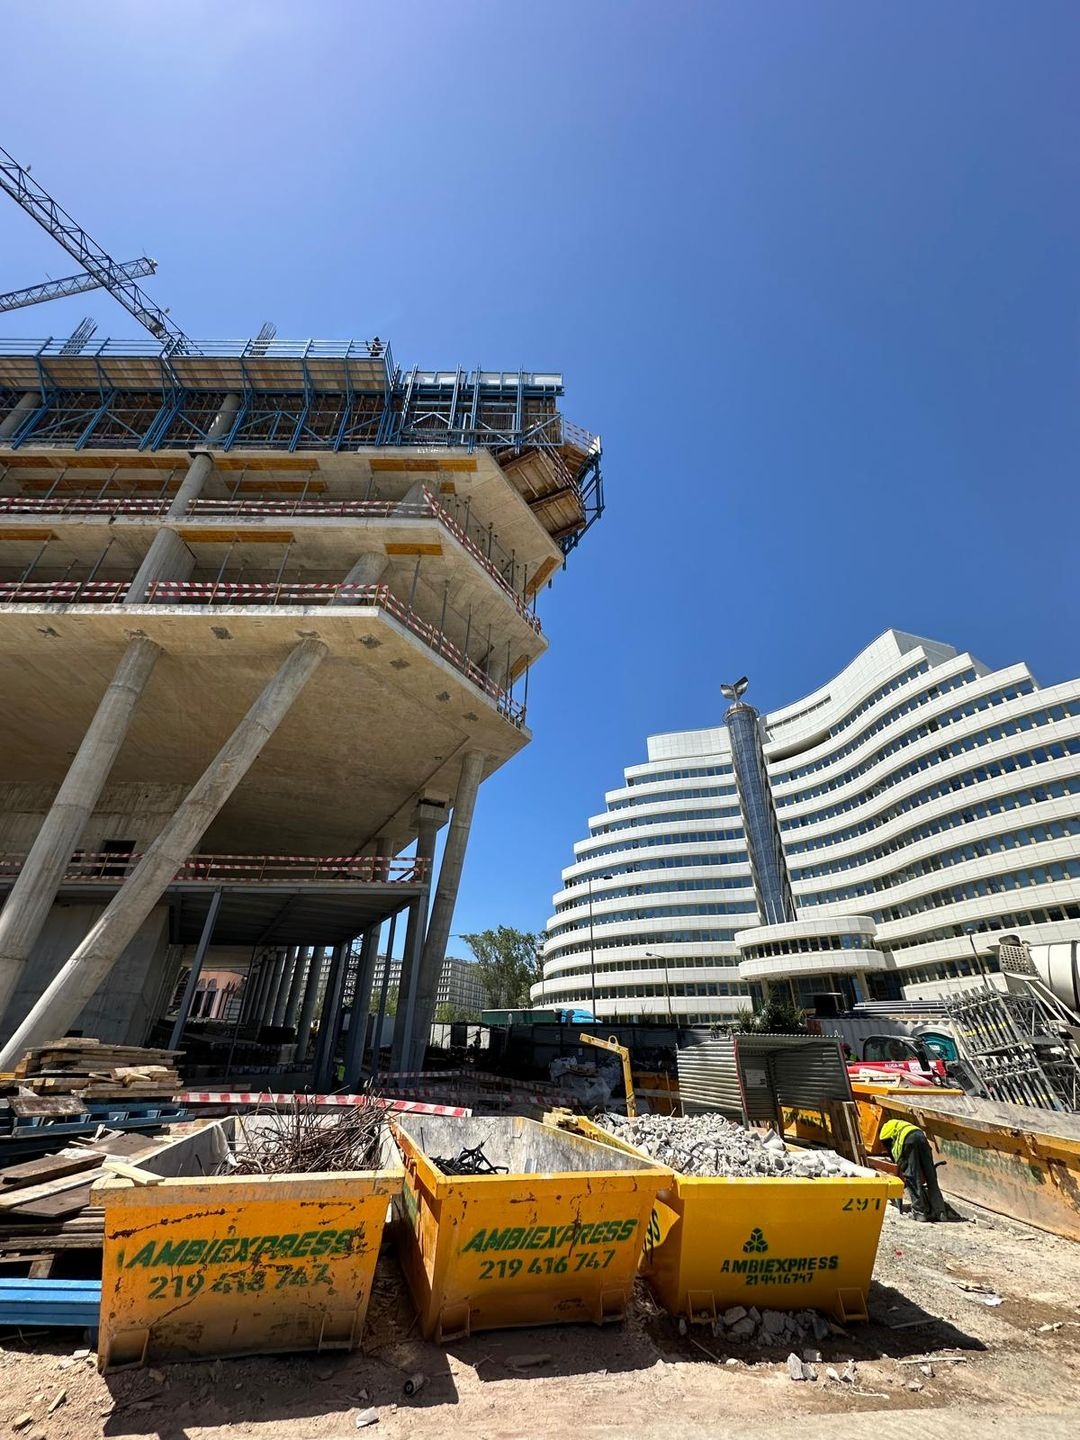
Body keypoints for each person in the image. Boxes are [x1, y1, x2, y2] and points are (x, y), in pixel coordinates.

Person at [879, 1118, 949, 1222]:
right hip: (921, 1136)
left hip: (908, 1140)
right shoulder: (900, 1124)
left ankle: (919, 1212)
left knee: (911, 1177)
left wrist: (901, 1167)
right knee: (931, 1176)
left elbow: (894, 1153)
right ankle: (941, 1212)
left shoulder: (884, 1134)